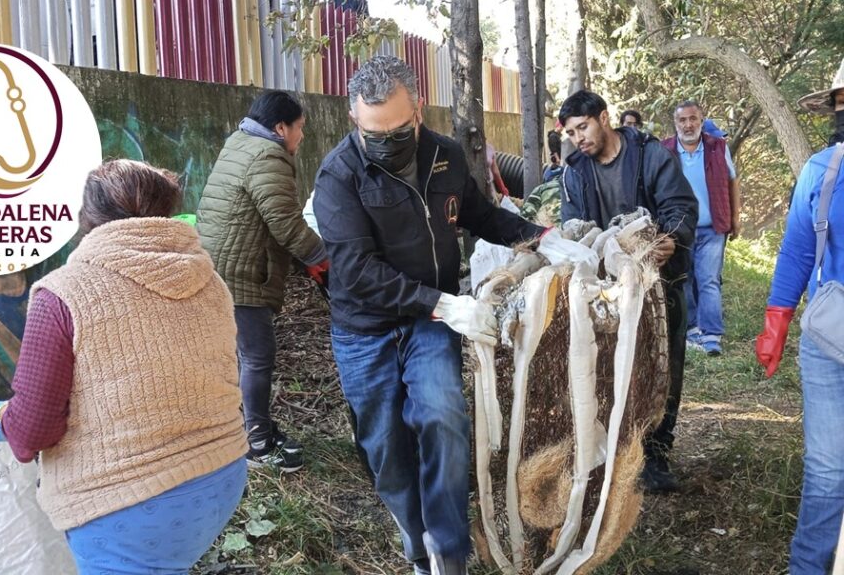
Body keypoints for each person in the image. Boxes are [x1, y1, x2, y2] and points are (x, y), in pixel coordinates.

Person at [312, 55, 595, 575]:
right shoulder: (338, 175)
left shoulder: (444, 156)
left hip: (430, 323)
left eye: (397, 130)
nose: (385, 143)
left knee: (443, 417)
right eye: (371, 132)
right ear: (355, 119)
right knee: (386, 451)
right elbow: (354, 270)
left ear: (417, 111)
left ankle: (447, 552)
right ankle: (415, 538)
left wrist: (542, 238)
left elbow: (481, 215)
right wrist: (442, 303)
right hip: (366, 329)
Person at [0, 159, 249, 575]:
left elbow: (34, 430)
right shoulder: (211, 282)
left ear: (88, 218)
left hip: (128, 505)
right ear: (167, 213)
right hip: (223, 477)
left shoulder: (62, 294)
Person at [559, 89, 698, 493]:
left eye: (582, 127)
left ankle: (655, 454)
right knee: (607, 368)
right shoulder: (573, 172)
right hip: (605, 290)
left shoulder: (651, 155)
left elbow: (681, 205)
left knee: (662, 365)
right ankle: (613, 452)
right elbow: (573, 227)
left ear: (604, 118)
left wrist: (672, 237)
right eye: (570, 133)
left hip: (659, 281)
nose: (578, 138)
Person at [197, 90, 328, 473]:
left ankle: (247, 426)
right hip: (240, 271)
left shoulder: (240, 142)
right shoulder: (269, 155)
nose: (301, 137)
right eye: (300, 128)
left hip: (218, 263)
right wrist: (323, 259)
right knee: (257, 355)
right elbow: (285, 224)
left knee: (241, 354)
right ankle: (256, 442)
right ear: (280, 127)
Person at [757, 59, 844, 575]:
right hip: (829, 339)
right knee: (829, 471)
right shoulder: (822, 169)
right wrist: (776, 321)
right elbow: (794, 252)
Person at [662, 101, 741, 356]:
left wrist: (735, 218)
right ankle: (692, 329)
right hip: (679, 230)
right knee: (684, 280)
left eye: (693, 119)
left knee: (708, 280)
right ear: (676, 124)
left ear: (701, 120)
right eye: (682, 120)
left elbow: (732, 181)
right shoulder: (666, 150)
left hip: (713, 227)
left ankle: (712, 335)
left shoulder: (717, 147)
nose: (688, 125)